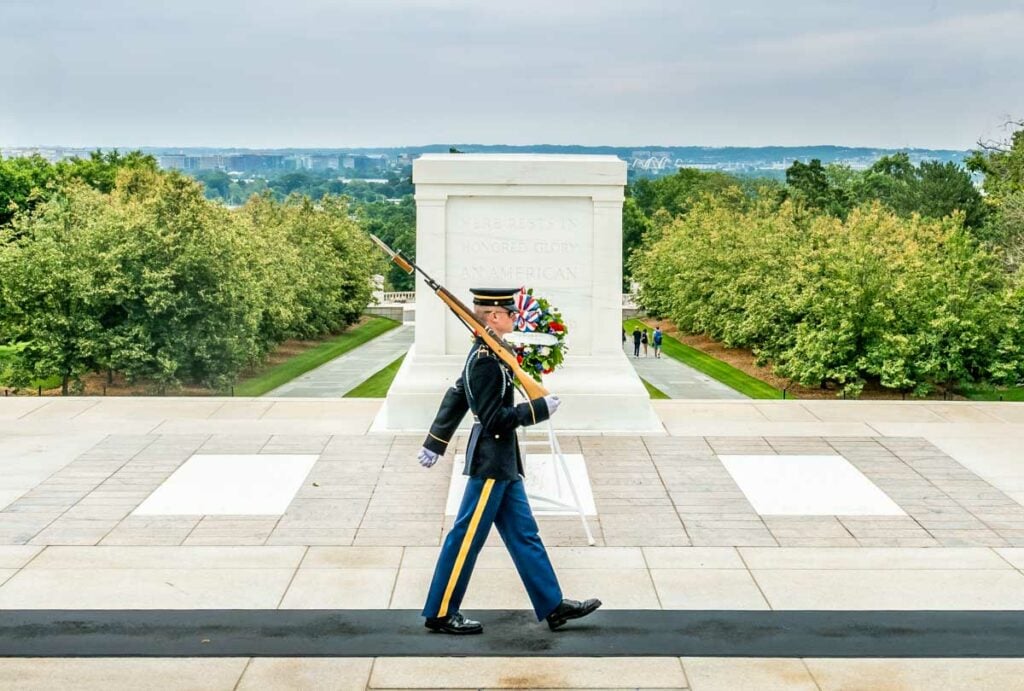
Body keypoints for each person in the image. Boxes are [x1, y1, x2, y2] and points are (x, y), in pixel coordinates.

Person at [415, 287, 601, 635]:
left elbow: (456, 396)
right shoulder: (485, 360)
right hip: (490, 463)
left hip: (503, 463)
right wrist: (537, 410)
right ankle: (440, 611)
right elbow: (493, 419)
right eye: (511, 314)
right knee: (466, 537)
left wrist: (435, 441)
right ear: (495, 317)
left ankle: (552, 604)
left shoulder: (490, 353)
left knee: (524, 534)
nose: (515, 319)